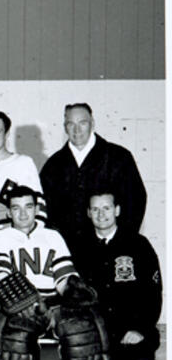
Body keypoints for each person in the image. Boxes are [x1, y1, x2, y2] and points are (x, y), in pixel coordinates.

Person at [0, 185, 110, 360]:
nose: (23, 214)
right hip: (19, 305)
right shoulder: (0, 237)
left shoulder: (52, 236)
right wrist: (25, 302)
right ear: (8, 212)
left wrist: (72, 289)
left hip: (54, 303)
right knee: (16, 336)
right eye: (16, 208)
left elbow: (63, 274)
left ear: (37, 209)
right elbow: (0, 274)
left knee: (79, 329)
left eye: (28, 207)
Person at [74, 192, 161, 360]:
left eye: (106, 208)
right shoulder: (79, 246)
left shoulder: (137, 244)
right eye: (95, 209)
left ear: (117, 210)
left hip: (128, 325)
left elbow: (152, 293)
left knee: (137, 355)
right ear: (88, 213)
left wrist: (139, 328)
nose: (101, 214)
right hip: (96, 326)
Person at [39, 103, 146, 251]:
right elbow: (45, 210)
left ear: (92, 124)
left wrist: (122, 242)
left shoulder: (118, 157)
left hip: (111, 250)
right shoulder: (53, 166)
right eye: (71, 124)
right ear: (65, 127)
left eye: (82, 123)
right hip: (68, 253)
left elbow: (136, 201)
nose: (77, 130)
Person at [0, 110, 46, 237]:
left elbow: (38, 206)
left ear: (6, 134)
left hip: (7, 236)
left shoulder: (22, 163)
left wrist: (30, 238)